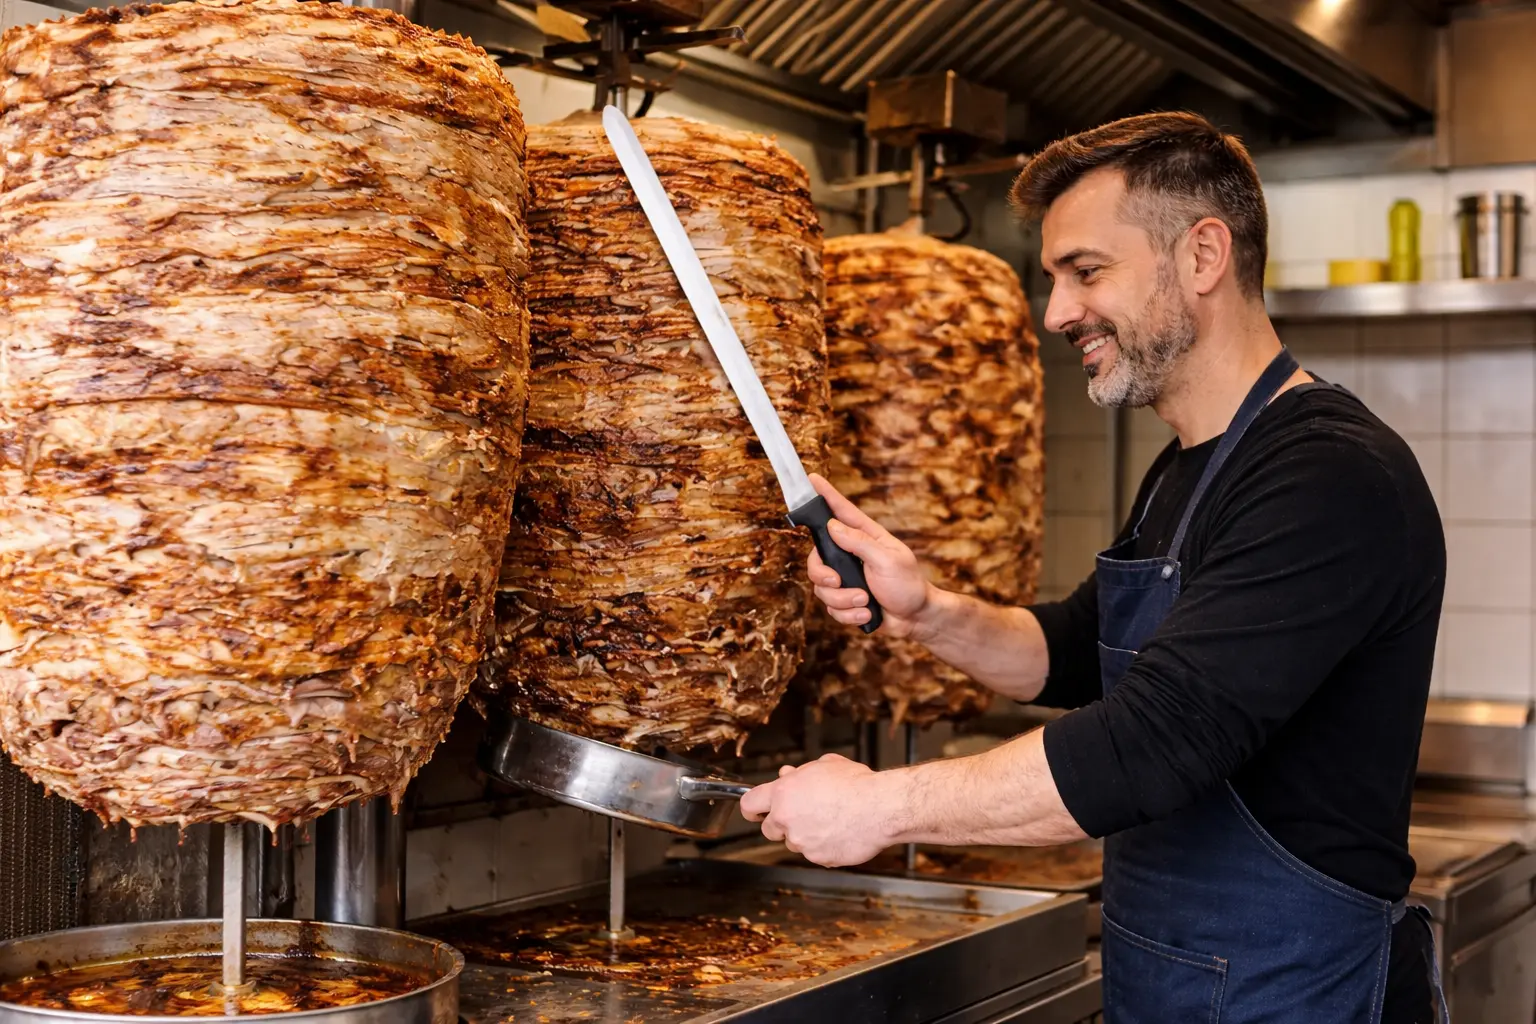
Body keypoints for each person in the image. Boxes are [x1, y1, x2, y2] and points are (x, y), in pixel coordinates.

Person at [739, 112, 1446, 1023]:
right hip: (1178, 985)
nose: (1057, 313)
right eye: (1054, 280)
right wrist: (927, 611)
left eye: (1086, 272)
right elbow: (1080, 649)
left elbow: (1149, 745)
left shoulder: (1330, 475)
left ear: (1202, 256)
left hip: (1297, 994)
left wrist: (881, 805)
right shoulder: (1189, 460)